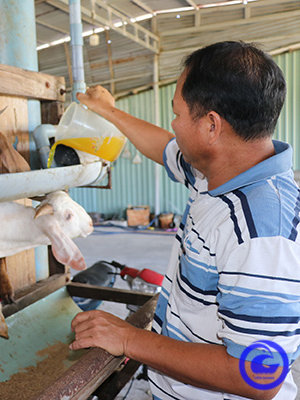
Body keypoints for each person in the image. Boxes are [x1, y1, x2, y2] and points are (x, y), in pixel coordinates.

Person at [70, 41, 300, 400]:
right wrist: (107, 111)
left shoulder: (260, 233)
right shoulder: (217, 171)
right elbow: (162, 147)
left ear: (211, 126)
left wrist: (129, 338)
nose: (173, 125)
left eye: (176, 113)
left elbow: (259, 375)